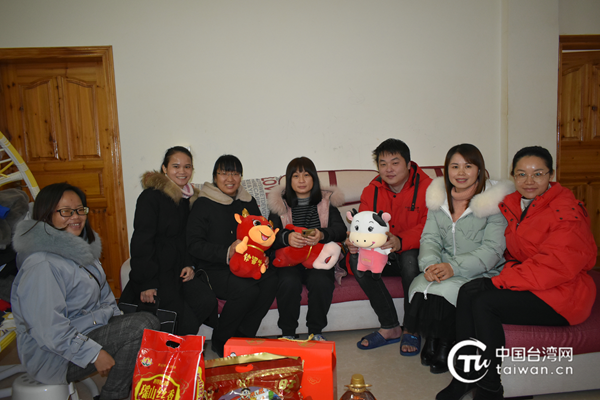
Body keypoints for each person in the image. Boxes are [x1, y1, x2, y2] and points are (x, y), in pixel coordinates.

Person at [437, 146, 597, 400]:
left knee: (484, 302)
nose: (529, 181)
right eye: (521, 174)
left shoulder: (565, 213)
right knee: (467, 291)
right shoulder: (514, 204)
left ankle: (490, 387)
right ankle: (465, 375)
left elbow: (554, 266)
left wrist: (499, 281)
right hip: (533, 282)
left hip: (563, 294)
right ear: (513, 176)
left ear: (551, 174)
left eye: (538, 174)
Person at [11, 183, 160, 400]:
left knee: (143, 324)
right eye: (65, 211)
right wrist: (94, 353)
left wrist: (117, 328)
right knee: (141, 326)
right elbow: (48, 329)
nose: (76, 217)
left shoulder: (81, 251)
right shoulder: (42, 264)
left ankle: (114, 392)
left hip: (86, 330)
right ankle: (113, 396)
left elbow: (105, 298)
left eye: (80, 210)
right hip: (52, 356)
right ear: (46, 214)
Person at [405, 144, 512, 374]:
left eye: (468, 166)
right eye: (455, 166)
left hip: (482, 269)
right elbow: (430, 238)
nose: (461, 173)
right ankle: (433, 338)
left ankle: (447, 343)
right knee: (422, 285)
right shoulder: (439, 199)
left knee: (450, 290)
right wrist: (430, 265)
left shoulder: (495, 203)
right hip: (444, 265)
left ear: (479, 170)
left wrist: (453, 267)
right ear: (447, 170)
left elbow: (493, 250)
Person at [347, 138, 432, 355]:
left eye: (395, 163)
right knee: (357, 260)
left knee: (410, 260)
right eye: (383, 164)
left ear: (409, 164)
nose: (389, 169)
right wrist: (354, 241)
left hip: (413, 249)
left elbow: (430, 226)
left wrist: (401, 240)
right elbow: (363, 224)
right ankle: (390, 326)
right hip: (381, 253)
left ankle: (411, 329)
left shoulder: (429, 188)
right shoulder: (371, 191)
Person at [187, 154, 278, 357]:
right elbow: (194, 245)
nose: (230, 179)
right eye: (224, 173)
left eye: (235, 173)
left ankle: (244, 336)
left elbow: (261, 234)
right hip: (214, 267)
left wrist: (263, 255)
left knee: (272, 279)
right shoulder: (203, 204)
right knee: (246, 289)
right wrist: (227, 252)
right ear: (214, 177)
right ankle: (221, 340)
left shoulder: (248, 201)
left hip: (246, 263)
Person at [121, 146, 217, 335]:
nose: (182, 171)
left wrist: (189, 264)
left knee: (206, 301)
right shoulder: (150, 197)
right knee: (184, 321)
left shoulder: (188, 199)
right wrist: (147, 283)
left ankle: (175, 339)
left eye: (187, 167)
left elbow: (188, 238)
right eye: (176, 166)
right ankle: (171, 346)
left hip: (179, 270)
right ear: (165, 168)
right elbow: (141, 241)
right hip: (157, 272)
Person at [268, 157, 347, 341]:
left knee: (321, 281)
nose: (301, 180)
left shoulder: (326, 201)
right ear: (289, 180)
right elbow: (269, 236)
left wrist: (322, 235)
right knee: (288, 283)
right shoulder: (279, 204)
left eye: (306, 175)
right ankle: (288, 333)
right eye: (296, 176)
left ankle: (315, 332)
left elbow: (341, 231)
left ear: (314, 178)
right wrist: (287, 238)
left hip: (318, 259)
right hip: (289, 261)